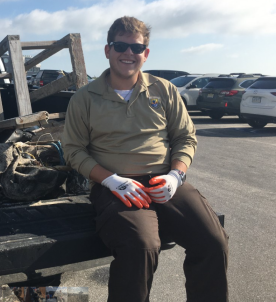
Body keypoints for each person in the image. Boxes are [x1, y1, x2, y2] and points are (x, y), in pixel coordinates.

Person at [62, 16, 229, 302]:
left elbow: (185, 138)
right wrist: (112, 180)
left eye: (137, 48)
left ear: (146, 54)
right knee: (141, 246)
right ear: (107, 50)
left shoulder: (163, 90)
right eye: (120, 46)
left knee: (213, 243)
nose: (129, 53)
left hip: (164, 181)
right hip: (116, 189)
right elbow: (73, 150)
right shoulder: (84, 98)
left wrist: (175, 176)